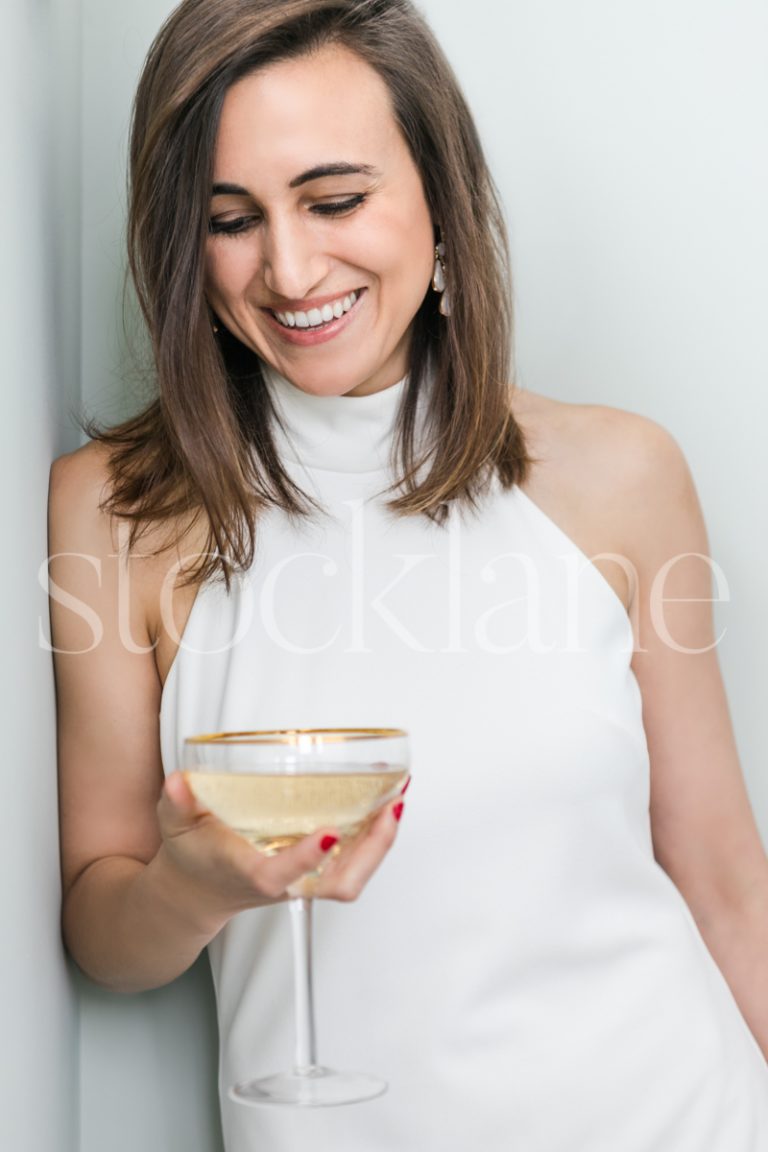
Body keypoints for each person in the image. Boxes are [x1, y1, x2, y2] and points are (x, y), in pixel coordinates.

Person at [49, 0, 768, 1149]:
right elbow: (102, 925)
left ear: (439, 195)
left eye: (335, 200)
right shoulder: (111, 511)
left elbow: (728, 880)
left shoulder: (623, 475)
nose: (289, 269)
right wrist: (200, 888)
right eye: (231, 219)